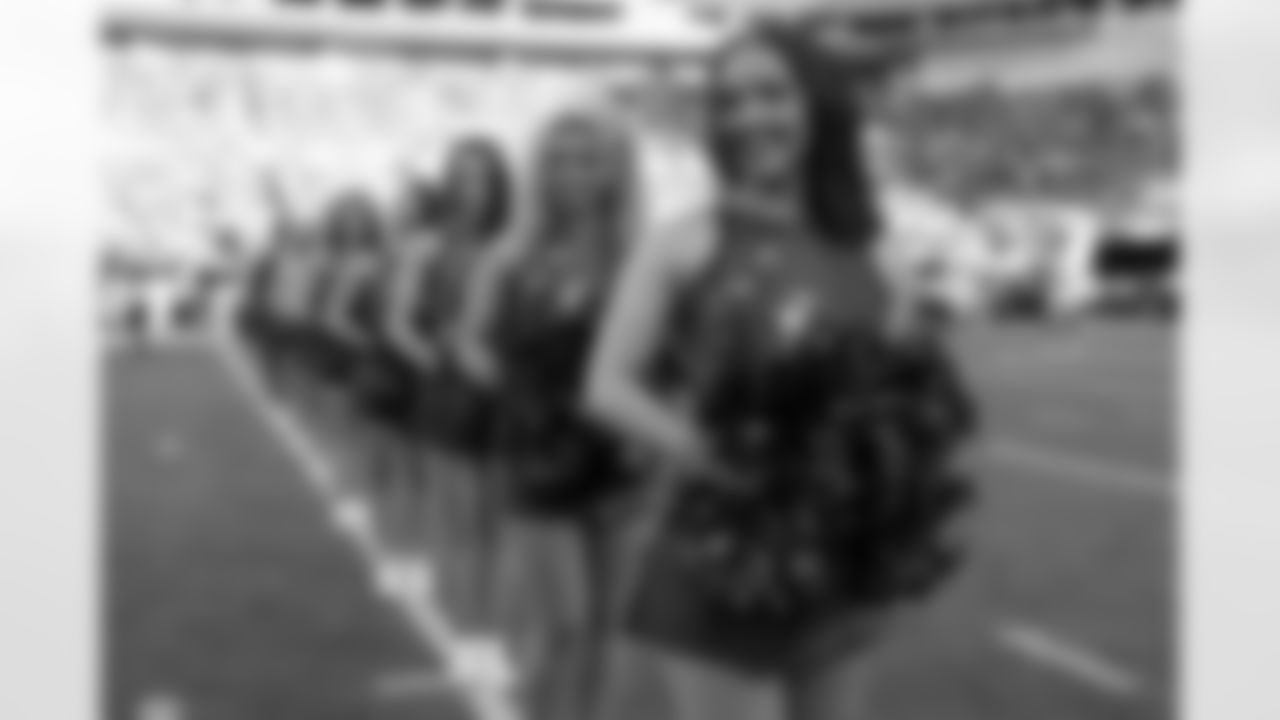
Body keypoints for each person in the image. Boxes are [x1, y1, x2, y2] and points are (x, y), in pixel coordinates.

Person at [584, 22, 977, 720]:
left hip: (841, 557)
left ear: (817, 103)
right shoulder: (685, 240)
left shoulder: (878, 254)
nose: (748, 116)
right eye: (729, 101)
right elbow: (606, 386)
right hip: (722, 555)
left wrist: (895, 502)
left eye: (771, 94)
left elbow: (901, 404)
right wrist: (711, 457)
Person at [448, 107, 643, 720]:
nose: (572, 174)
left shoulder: (641, 254)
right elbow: (469, 339)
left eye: (588, 159)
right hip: (537, 454)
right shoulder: (512, 254)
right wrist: (512, 391)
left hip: (620, 454)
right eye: (557, 160)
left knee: (609, 629)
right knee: (565, 626)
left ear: (615, 169)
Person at [382, 135, 514, 634]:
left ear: (501, 183)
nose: (472, 188)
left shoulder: (517, 241)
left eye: (483, 177)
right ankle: (464, 627)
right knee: (459, 518)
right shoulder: (426, 246)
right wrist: (440, 365)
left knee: (498, 522)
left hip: (510, 392)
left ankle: (485, 622)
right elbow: (399, 324)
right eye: (461, 177)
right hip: (451, 393)